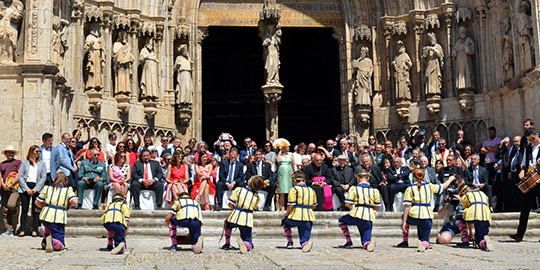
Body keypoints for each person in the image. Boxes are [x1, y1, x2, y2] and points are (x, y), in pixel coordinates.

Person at [396, 169, 453, 251]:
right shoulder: (429, 186)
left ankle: (405, 241)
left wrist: (404, 222)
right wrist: (450, 179)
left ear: (413, 177)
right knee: (425, 235)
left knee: (406, 218)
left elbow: (407, 206)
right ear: (424, 176)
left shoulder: (410, 188)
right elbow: (443, 187)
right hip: (427, 215)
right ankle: (424, 243)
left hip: (414, 215)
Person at [337, 169, 380, 251]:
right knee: (365, 240)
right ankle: (367, 243)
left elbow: (347, 204)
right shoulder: (374, 190)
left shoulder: (354, 189)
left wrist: (356, 202)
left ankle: (348, 241)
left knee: (341, 220)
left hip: (357, 214)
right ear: (367, 178)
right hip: (369, 215)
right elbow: (377, 207)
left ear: (358, 178)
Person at [510, 127, 540, 242]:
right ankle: (519, 234)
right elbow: (524, 163)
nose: (531, 141)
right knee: (525, 208)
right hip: (530, 180)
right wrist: (522, 171)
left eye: (532, 138)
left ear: (536, 134)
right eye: (529, 140)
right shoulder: (528, 148)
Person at [35, 172, 78, 252]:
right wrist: (68, 205)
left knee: (48, 226)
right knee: (60, 244)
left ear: (54, 179)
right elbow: (75, 202)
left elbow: (37, 202)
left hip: (46, 215)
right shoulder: (68, 190)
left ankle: (45, 239)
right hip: (58, 216)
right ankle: (51, 241)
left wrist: (44, 207)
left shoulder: (47, 188)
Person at [221, 176, 264, 254]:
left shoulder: (239, 190)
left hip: (236, 214)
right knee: (247, 238)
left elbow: (230, 203)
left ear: (250, 182)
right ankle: (246, 245)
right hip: (247, 218)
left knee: (227, 224)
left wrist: (235, 210)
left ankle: (227, 243)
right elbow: (254, 207)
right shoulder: (257, 197)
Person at [281, 171, 316, 252]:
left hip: (296, 214)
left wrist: (286, 215)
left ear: (294, 181)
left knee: (285, 223)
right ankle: (305, 243)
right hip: (308, 215)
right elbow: (314, 205)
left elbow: (291, 205)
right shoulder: (311, 190)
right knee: (305, 232)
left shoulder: (294, 190)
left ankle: (290, 242)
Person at [455, 176, 493, 251]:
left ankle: (465, 240)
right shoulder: (482, 193)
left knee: (458, 216)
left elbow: (462, 209)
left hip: (474, 214)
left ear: (463, 192)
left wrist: (470, 232)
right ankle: (484, 243)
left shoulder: (466, 195)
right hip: (486, 216)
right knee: (480, 238)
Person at [16, 145, 47, 237]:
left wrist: (36, 189)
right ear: (31, 152)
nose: (38, 153)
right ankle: (22, 229)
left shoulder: (42, 164)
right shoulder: (25, 163)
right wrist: (26, 188)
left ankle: (35, 229)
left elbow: (43, 177)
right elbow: (20, 176)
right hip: (26, 187)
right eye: (36, 151)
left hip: (36, 187)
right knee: (24, 209)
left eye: (39, 152)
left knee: (36, 209)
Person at [0, 145, 22, 236]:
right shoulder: (2, 164)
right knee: (5, 210)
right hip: (4, 188)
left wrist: (11, 183)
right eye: (9, 152)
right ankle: (9, 229)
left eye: (12, 152)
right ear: (5, 153)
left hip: (14, 188)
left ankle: (15, 208)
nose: (11, 154)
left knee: (11, 205)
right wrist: (3, 184)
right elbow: (0, 176)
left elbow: (19, 174)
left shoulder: (18, 162)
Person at [277, 146, 296, 211]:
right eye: (283, 147)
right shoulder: (279, 154)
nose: (284, 148)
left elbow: (294, 164)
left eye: (285, 147)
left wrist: (295, 172)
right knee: (282, 191)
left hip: (289, 172)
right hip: (282, 173)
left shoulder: (291, 154)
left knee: (290, 190)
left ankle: (290, 207)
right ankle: (281, 207)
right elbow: (278, 161)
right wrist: (280, 151)